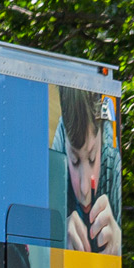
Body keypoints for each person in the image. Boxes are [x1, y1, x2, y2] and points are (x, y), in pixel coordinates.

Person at [55, 87, 122, 255]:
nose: (85, 189)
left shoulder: (114, 157)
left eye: (92, 158)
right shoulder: (56, 152)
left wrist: (118, 245)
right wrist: (57, 234)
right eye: (75, 161)